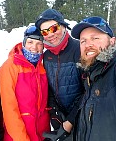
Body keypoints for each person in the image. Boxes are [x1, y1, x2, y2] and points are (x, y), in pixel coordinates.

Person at [35, 8, 85, 141]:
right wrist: (54, 112)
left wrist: (70, 121)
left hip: (81, 117)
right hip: (59, 119)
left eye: (53, 28)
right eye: (44, 32)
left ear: (63, 26)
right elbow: (49, 87)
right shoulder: (46, 56)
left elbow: (88, 90)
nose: (50, 34)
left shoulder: (79, 49)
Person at [0, 25, 50, 141]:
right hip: (18, 135)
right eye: (30, 42)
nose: (34, 47)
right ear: (24, 43)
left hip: (42, 134)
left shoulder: (42, 67)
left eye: (39, 43)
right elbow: (8, 108)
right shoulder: (10, 67)